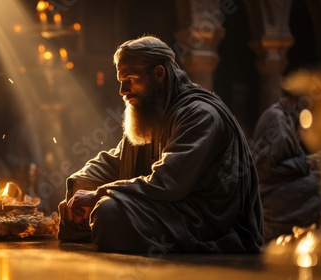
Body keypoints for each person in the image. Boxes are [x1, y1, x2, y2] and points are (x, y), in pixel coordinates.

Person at [57, 35, 264, 253]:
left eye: (130, 79)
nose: (122, 91)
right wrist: (83, 184)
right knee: (73, 215)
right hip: (168, 209)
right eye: (120, 81)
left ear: (158, 74)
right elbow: (117, 159)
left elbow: (167, 183)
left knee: (109, 212)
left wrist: (98, 194)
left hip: (202, 220)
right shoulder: (153, 113)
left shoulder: (200, 115)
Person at [251, 91, 321, 242]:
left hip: (274, 187)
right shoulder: (277, 117)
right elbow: (270, 169)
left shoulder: (287, 117)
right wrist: (309, 163)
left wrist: (311, 161)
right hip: (268, 192)